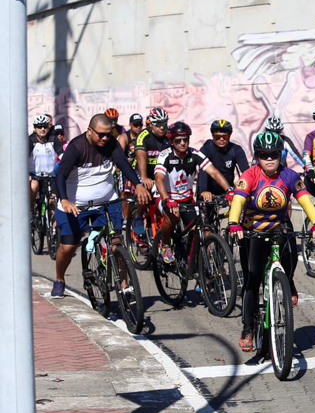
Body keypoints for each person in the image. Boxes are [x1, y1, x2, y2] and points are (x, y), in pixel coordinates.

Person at [228, 132, 315, 351]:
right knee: (252, 280)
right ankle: (247, 329)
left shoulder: (289, 175)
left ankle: (287, 280)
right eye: (264, 155)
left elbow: (305, 200)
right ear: (257, 156)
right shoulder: (250, 175)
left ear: (280, 154)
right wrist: (233, 222)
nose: (269, 158)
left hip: (280, 227)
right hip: (253, 231)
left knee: (290, 261)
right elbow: (238, 199)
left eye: (274, 154)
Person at [51, 114, 150, 298]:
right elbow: (61, 175)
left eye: (108, 134)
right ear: (90, 131)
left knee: (116, 243)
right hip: (75, 205)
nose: (105, 138)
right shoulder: (76, 147)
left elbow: (123, 163)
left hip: (106, 200)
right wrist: (64, 200)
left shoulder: (111, 144)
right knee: (68, 247)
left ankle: (124, 286)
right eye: (101, 134)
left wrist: (137, 184)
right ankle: (59, 279)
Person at [154, 122, 234, 263]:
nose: (182, 143)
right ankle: (165, 245)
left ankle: (197, 265)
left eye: (185, 139)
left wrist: (229, 190)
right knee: (173, 217)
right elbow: (159, 178)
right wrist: (167, 199)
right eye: (178, 140)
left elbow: (214, 172)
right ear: (172, 141)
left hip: (186, 198)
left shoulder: (195, 154)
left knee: (200, 229)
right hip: (165, 196)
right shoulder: (165, 155)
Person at [198, 119, 250, 201]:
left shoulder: (236, 150)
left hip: (228, 192)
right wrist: (203, 191)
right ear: (212, 136)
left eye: (225, 136)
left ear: (229, 136)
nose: (221, 139)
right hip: (208, 193)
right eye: (217, 137)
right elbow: (203, 171)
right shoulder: (206, 149)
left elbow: (247, 173)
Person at [29, 114, 63, 209]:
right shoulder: (30, 140)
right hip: (35, 175)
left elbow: (62, 155)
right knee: (34, 187)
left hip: (50, 175)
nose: (42, 129)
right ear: (35, 128)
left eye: (45, 126)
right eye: (39, 127)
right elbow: (23, 158)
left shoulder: (53, 139)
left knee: (52, 201)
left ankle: (52, 218)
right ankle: (30, 209)